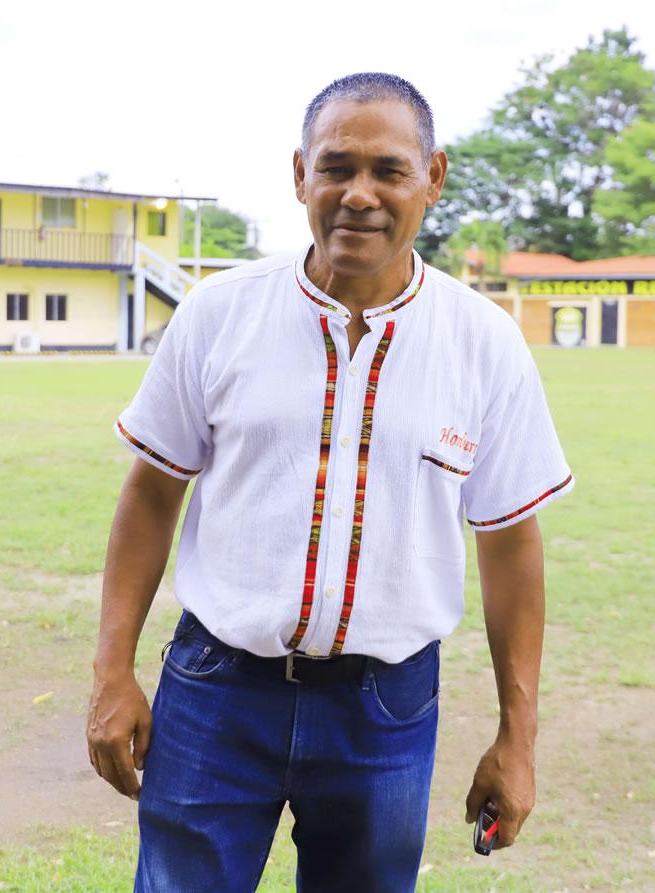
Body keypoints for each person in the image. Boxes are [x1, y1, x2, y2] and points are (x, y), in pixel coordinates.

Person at [87, 72, 574, 892]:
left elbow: (510, 547)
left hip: (385, 711)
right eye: (336, 167)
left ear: (434, 178)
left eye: (388, 170)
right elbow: (151, 491)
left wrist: (517, 736)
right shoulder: (219, 314)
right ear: (299, 175)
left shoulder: (484, 345)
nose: (360, 195)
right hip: (215, 690)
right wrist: (111, 673)